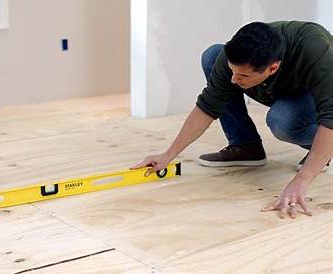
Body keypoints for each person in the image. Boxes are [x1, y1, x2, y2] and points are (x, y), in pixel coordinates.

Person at [131, 21, 332, 219]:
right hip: (280, 87)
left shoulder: (317, 52)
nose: (234, 80)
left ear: (272, 68)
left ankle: (323, 151)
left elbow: (331, 117)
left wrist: (301, 181)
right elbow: (207, 107)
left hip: (315, 92)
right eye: (232, 70)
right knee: (212, 55)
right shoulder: (236, 56)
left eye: (243, 75)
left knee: (282, 121)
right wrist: (168, 154)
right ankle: (246, 146)